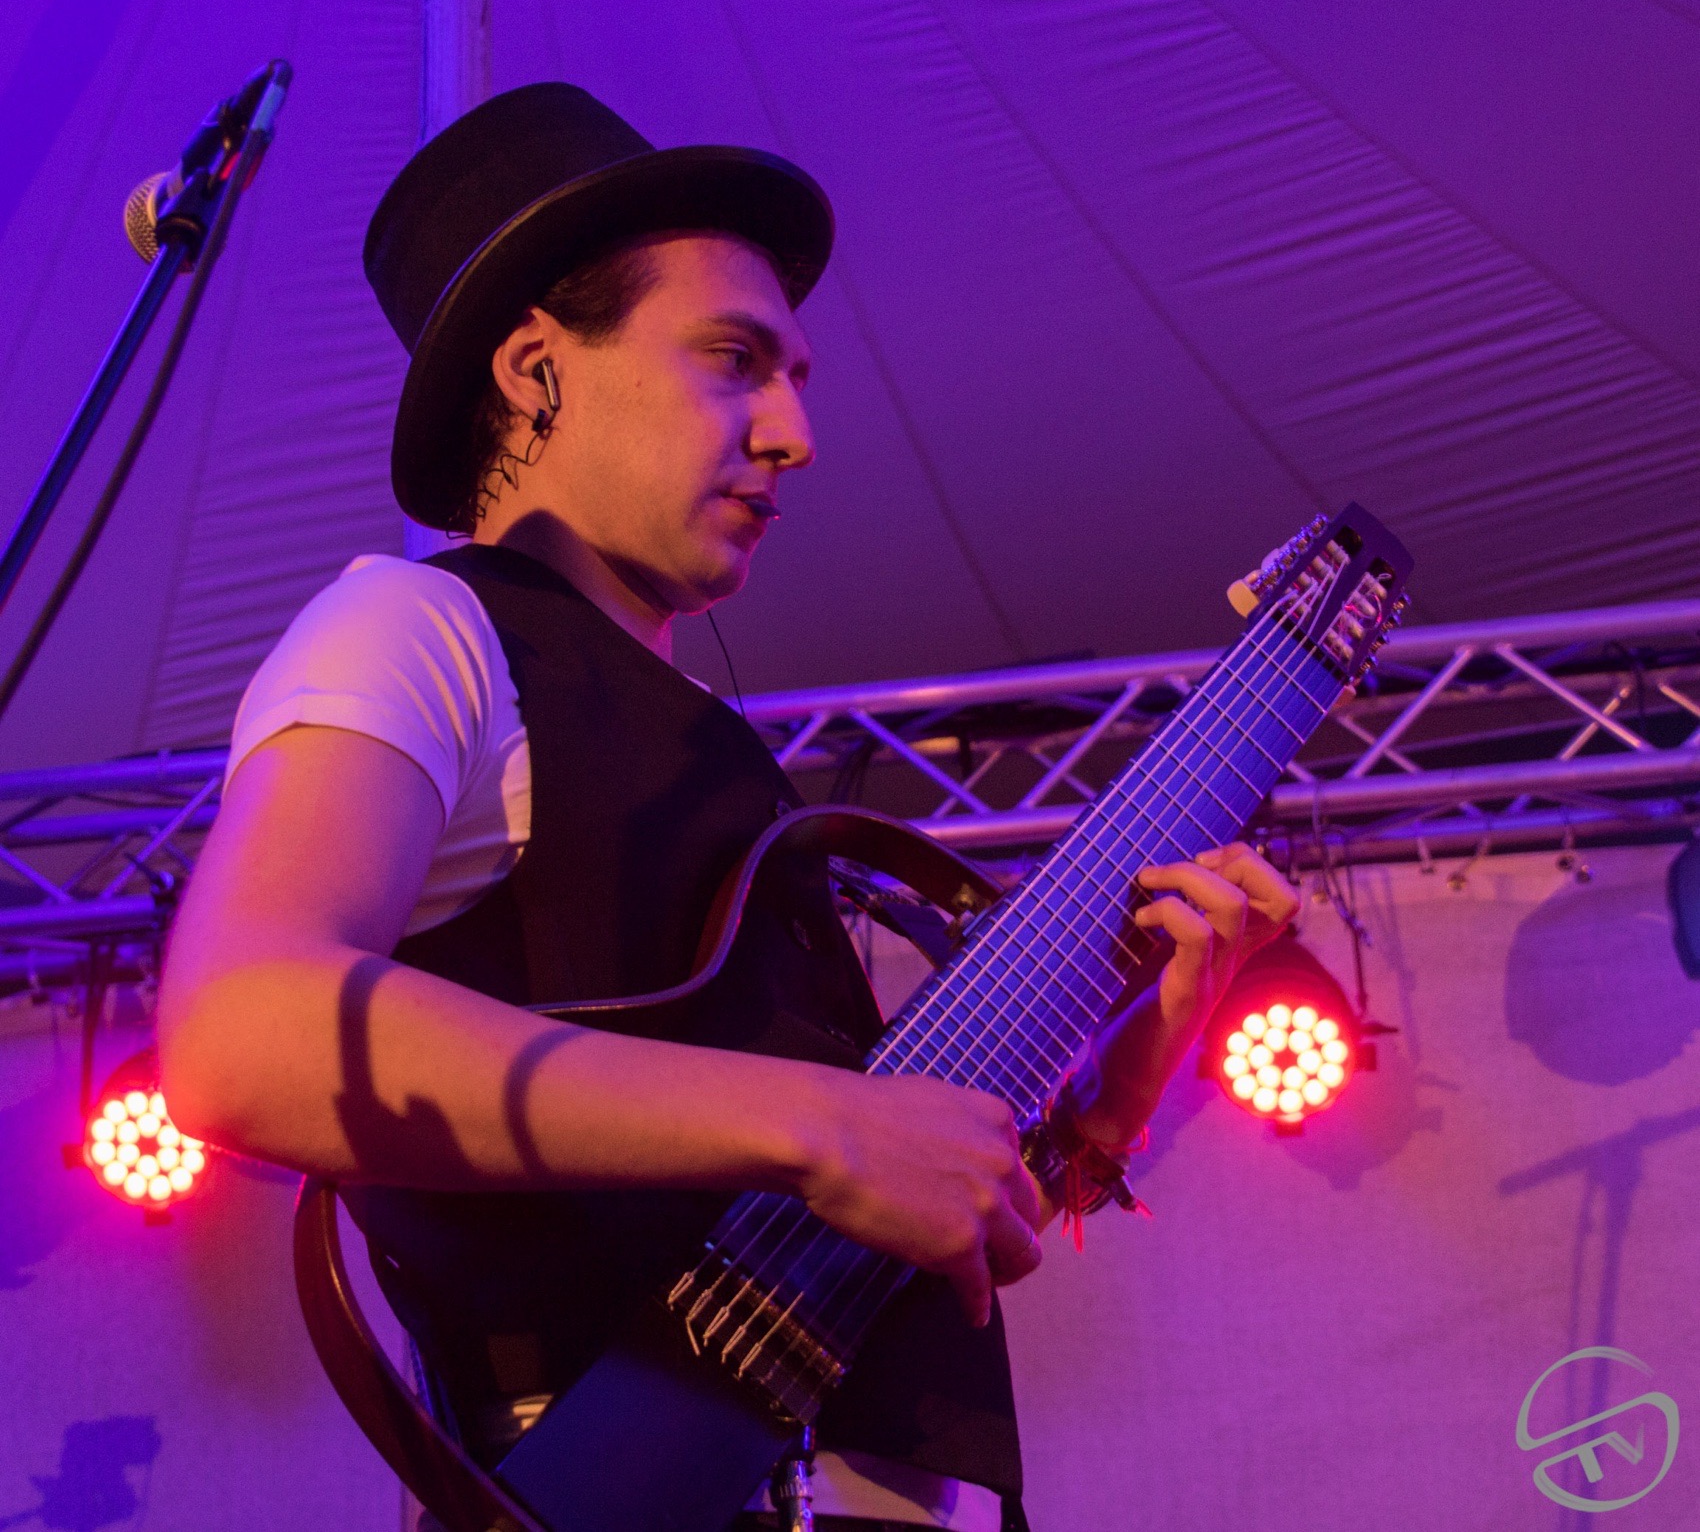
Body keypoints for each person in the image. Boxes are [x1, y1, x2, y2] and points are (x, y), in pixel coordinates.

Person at [158, 84, 1299, 1532]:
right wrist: (822, 1121)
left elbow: (878, 1213)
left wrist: (1121, 1088)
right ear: (536, 370)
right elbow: (238, 1030)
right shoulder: (417, 628)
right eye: (734, 360)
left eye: (797, 376)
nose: (795, 432)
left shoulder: (697, 745)